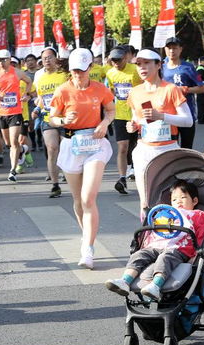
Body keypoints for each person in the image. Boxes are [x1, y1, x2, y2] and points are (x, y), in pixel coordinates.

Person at [49, 48, 115, 270]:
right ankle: (87, 236)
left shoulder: (100, 89)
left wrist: (105, 123)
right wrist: (61, 120)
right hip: (71, 144)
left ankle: (87, 248)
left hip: (95, 145)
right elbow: (51, 117)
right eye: (74, 70)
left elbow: (111, 110)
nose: (77, 74)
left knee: (88, 198)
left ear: (90, 68)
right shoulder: (63, 90)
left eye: (81, 70)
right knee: (78, 201)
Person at [105, 179, 204, 300]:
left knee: (164, 259)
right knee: (139, 255)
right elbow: (153, 230)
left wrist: (198, 251)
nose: (178, 201)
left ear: (194, 200)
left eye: (183, 197)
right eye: (174, 199)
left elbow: (201, 234)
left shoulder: (197, 214)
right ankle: (125, 281)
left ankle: (155, 285)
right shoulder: (165, 213)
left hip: (179, 249)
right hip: (156, 245)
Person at [126, 48, 193, 210]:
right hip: (144, 148)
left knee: (167, 196)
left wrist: (162, 116)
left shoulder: (170, 89)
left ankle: (170, 231)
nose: (142, 67)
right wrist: (132, 125)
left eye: (147, 63)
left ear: (158, 65)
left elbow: (188, 121)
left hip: (167, 149)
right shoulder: (135, 92)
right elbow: (136, 118)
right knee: (145, 201)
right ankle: (147, 232)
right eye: (139, 64)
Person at [0, 49, 33, 182]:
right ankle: (22, 150)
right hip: (2, 113)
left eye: (3, 60)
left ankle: (12, 171)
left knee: (13, 142)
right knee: (7, 143)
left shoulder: (17, 72)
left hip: (16, 112)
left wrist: (26, 94)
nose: (0, 62)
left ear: (9, 59)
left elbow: (29, 81)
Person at [32, 47, 69, 198]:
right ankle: (55, 185)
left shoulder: (64, 76)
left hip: (65, 118)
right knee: (52, 148)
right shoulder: (40, 79)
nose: (46, 60)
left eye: (49, 57)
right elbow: (42, 99)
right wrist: (36, 109)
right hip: (48, 118)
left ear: (56, 58)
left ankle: (72, 177)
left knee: (66, 150)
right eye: (44, 58)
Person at [106, 45, 142, 195]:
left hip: (136, 114)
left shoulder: (134, 70)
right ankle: (122, 178)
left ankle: (139, 173)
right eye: (113, 60)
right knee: (122, 147)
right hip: (120, 114)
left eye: (118, 60)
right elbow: (111, 91)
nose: (116, 63)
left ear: (125, 58)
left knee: (136, 147)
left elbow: (142, 90)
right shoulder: (110, 74)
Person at [162, 37, 204, 149]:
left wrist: (186, 89)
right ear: (165, 49)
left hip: (187, 113)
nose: (172, 51)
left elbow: (202, 88)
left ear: (180, 49)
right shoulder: (161, 68)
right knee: (170, 148)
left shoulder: (188, 67)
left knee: (186, 148)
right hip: (169, 115)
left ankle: (186, 166)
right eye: (169, 48)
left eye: (175, 48)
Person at [195, 56, 204, 124]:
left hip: (203, 89)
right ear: (200, 62)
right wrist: (201, 84)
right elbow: (198, 78)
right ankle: (201, 119)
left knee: (203, 104)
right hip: (201, 89)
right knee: (201, 104)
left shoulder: (203, 68)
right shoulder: (200, 69)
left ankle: (202, 118)